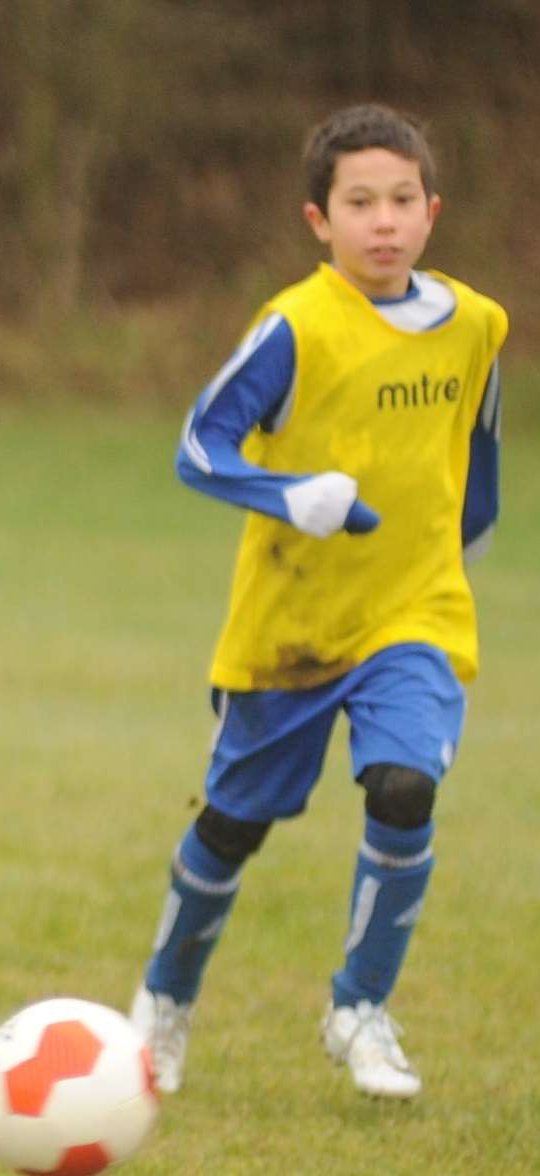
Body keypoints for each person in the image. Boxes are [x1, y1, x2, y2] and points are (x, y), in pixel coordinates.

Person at [127, 105, 508, 1101]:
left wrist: (457, 554)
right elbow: (198, 447)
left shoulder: (477, 324)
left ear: (431, 211)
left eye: (399, 201)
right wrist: (287, 493)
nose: (381, 221)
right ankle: (164, 1001)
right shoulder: (295, 327)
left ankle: (359, 1009)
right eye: (357, 203)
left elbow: (480, 453)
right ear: (317, 219)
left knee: (402, 788)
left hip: (413, 616)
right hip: (289, 628)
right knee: (231, 827)